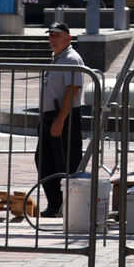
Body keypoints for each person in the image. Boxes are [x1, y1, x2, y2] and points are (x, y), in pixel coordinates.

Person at [36, 22, 85, 217]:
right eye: (51, 36)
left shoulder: (71, 59)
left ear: (68, 38)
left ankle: (67, 206)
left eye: (57, 35)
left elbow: (72, 90)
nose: (52, 39)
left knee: (65, 163)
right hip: (50, 117)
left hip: (63, 117)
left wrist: (61, 119)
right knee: (45, 160)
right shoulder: (56, 57)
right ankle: (55, 205)